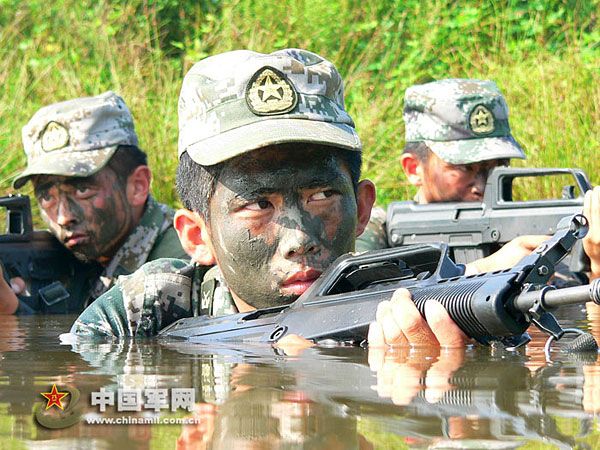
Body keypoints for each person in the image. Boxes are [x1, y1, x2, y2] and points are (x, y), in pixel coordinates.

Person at [70, 49, 542, 348]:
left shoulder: (424, 305)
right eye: (258, 204)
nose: (299, 238)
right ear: (198, 236)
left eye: (320, 195)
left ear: (360, 210)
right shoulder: (146, 312)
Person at [0, 92, 189, 315]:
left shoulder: (180, 264)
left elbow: (116, 342)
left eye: (82, 190)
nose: (63, 217)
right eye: (47, 196)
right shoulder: (84, 258)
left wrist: (12, 312)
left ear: (137, 186)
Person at [356, 78, 526, 252]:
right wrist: (484, 269)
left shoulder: (520, 226)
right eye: (465, 167)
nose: (482, 186)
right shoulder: (373, 229)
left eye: (498, 167)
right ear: (413, 168)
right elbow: (360, 278)